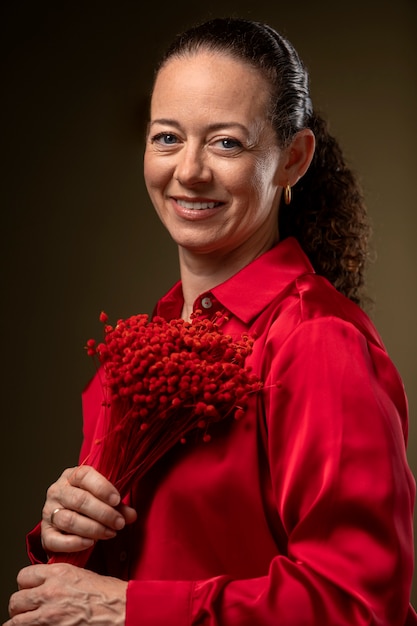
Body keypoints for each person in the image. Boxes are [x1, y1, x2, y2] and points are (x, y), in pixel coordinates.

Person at [5, 16, 416, 626]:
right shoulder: (151, 341)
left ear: (293, 159)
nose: (189, 171)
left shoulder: (316, 340)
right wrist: (73, 533)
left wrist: (128, 609)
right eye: (167, 137)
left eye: (227, 143)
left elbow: (359, 606)